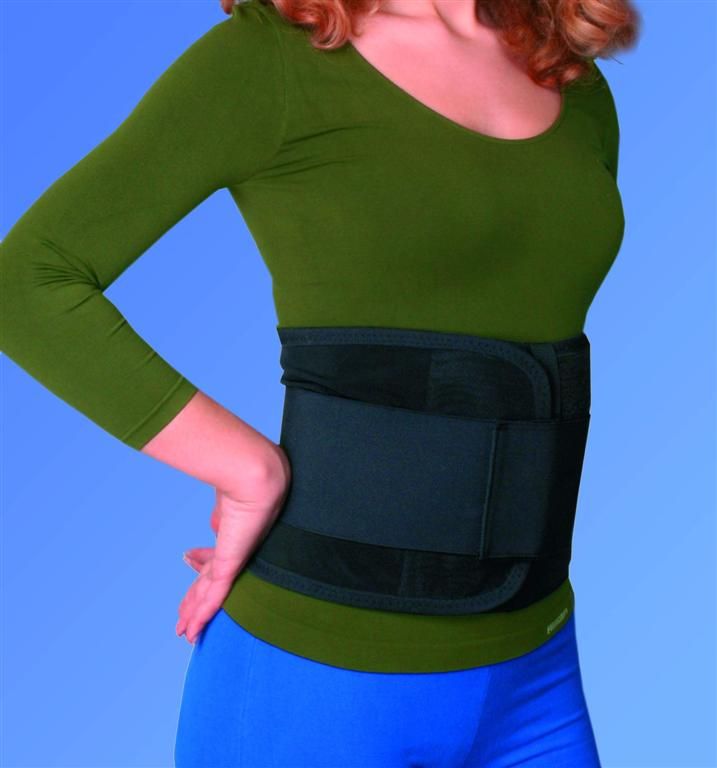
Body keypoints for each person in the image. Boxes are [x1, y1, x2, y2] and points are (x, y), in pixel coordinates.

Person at [0, 0, 640, 764]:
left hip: (534, 673)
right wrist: (245, 469)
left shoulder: (564, 66)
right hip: (315, 677)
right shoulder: (271, 60)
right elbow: (25, 285)